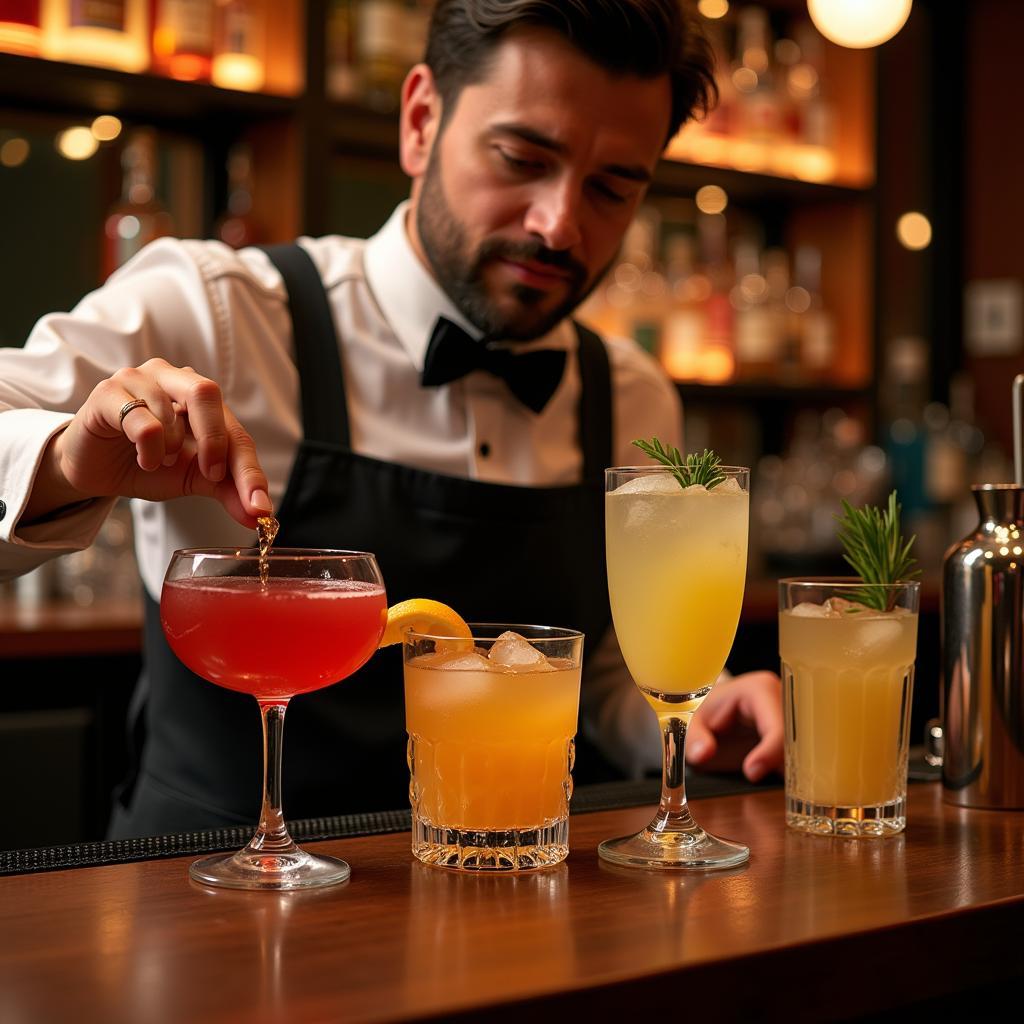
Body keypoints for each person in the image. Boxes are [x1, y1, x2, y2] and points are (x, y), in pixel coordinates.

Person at [0, 0, 782, 838]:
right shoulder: (218, 308)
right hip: (203, 898)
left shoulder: (631, 393)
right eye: (522, 158)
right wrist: (65, 460)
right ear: (420, 121)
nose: (560, 223)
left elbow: (595, 680)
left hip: (500, 898)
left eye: (612, 186)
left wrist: (695, 716)